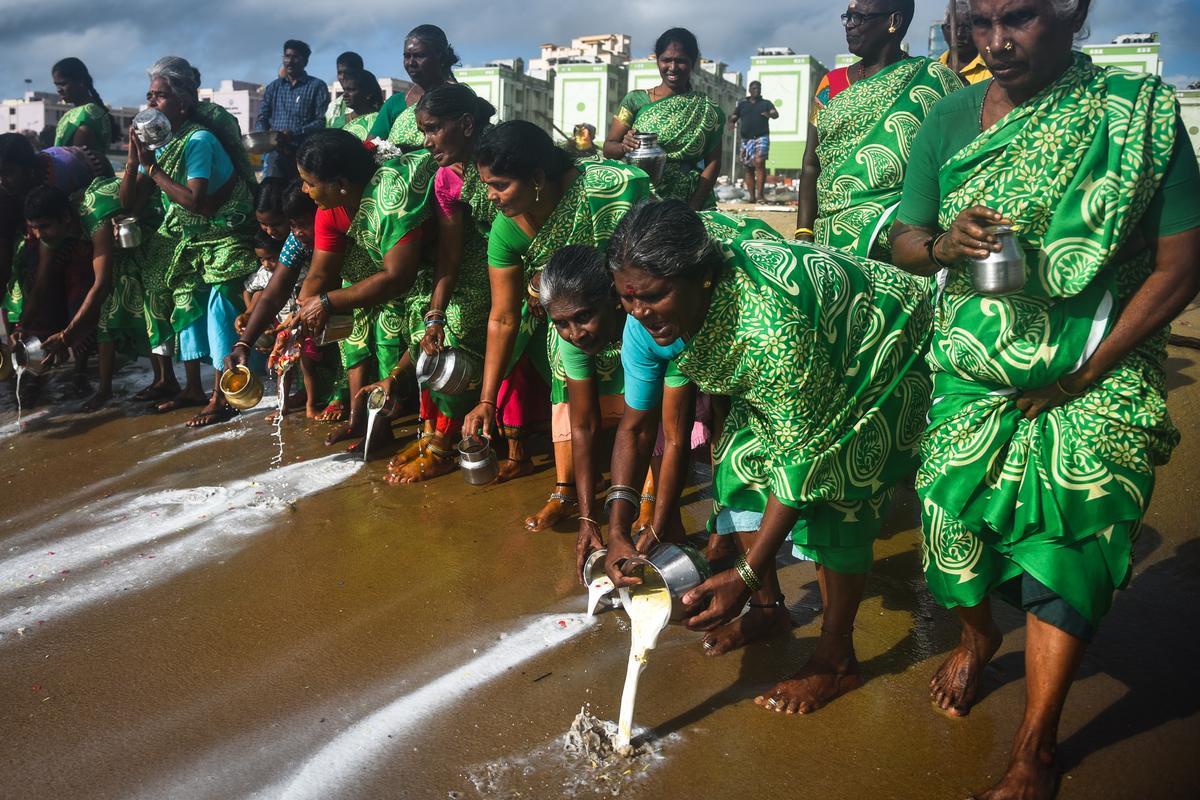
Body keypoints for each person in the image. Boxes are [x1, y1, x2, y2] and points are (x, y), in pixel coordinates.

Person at [887, 1, 1200, 796]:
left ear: (1072, 12)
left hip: (1096, 365)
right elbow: (904, 238)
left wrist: (1085, 373)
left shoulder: (1133, 118)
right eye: (980, 20)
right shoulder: (951, 118)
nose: (996, 42)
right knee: (950, 521)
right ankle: (976, 637)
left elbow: (1181, 265)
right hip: (975, 369)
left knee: (1072, 529)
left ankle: (1036, 742)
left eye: (1019, 18)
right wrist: (942, 246)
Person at [602, 200, 932, 706]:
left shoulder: (768, 327)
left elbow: (802, 462)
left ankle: (837, 658)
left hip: (878, 342)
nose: (641, 312)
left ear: (703, 277)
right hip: (802, 363)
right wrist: (618, 529)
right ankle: (769, 609)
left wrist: (745, 570)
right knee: (739, 464)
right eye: (628, 298)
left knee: (838, 495)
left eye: (654, 296)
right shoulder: (644, 323)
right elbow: (638, 426)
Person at [462, 121, 651, 531]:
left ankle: (648, 492)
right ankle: (566, 489)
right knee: (561, 345)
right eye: (487, 185)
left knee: (643, 365)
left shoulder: (610, 189)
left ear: (535, 177)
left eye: (499, 185)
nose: (490, 197)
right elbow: (503, 316)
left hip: (630, 306)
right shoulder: (505, 229)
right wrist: (487, 400)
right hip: (576, 319)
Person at [539, 244, 695, 580]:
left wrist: (657, 524)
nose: (575, 333)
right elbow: (584, 426)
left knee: (675, 431)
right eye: (561, 323)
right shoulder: (571, 335)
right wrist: (588, 519)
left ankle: (678, 526)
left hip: (680, 357)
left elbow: (672, 435)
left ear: (612, 295)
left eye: (583, 317)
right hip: (633, 360)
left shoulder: (653, 320)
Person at [120, 55, 260, 427]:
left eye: (160, 96)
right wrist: (135, 160)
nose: (151, 103)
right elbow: (127, 203)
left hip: (227, 234)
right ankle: (194, 388)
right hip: (196, 238)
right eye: (149, 96)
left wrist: (152, 169)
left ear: (182, 102)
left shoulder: (198, 140)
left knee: (218, 309)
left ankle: (224, 394)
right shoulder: (165, 144)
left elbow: (196, 200)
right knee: (185, 302)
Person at [371, 83, 496, 483]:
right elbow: (450, 253)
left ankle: (444, 443)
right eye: (422, 132)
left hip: (514, 263)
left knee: (458, 325)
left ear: (465, 124)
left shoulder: (498, 158)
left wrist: (448, 315)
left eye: (432, 130)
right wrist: (434, 313)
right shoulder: (446, 178)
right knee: (424, 320)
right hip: (475, 264)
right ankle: (429, 433)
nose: (426, 142)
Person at [292, 129, 437, 453]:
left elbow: (399, 277)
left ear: (340, 184)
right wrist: (299, 310)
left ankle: (432, 436)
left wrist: (326, 302)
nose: (304, 190)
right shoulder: (332, 206)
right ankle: (368, 421)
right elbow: (320, 271)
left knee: (417, 335)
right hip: (403, 274)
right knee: (365, 330)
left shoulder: (388, 197)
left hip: (441, 271)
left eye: (310, 182)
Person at [796, 1, 960, 257]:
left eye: (859, 17)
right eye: (847, 17)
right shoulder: (831, 84)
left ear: (894, 21)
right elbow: (810, 163)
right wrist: (803, 234)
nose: (849, 25)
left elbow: (955, 160)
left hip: (905, 239)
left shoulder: (935, 79)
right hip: (830, 241)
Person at [0, 134, 113, 361]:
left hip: (91, 216)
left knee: (77, 278)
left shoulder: (59, 179)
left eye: (8, 173)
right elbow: (4, 258)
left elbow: (44, 274)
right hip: (57, 218)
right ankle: (48, 341)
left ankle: (79, 350)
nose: (3, 180)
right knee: (29, 268)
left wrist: (59, 333)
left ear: (28, 169)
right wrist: (21, 326)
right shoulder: (8, 192)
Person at [604, 28, 723, 210]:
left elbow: (713, 163)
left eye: (681, 61)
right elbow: (608, 148)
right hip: (639, 195)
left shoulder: (707, 109)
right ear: (657, 60)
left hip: (687, 199)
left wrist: (693, 207)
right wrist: (623, 146)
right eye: (666, 60)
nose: (673, 68)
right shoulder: (635, 100)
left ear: (693, 63)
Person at [369, 25, 459, 148]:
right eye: (406, 56)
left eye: (419, 55)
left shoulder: (458, 99)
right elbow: (371, 146)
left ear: (441, 57)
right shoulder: (395, 103)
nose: (411, 63)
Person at [256, 40, 330, 179]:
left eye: (295, 57)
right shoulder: (273, 87)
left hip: (304, 153)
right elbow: (262, 117)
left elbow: (321, 121)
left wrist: (293, 133)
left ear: (305, 61)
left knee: (300, 195)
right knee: (272, 194)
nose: (290, 61)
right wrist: (265, 135)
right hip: (275, 154)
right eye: (287, 56)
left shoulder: (317, 86)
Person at [728, 81, 777, 203]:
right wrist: (731, 122)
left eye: (759, 88)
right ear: (750, 90)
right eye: (754, 88)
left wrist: (771, 114)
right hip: (746, 139)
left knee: (759, 162)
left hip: (761, 137)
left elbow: (775, 113)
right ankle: (752, 197)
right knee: (748, 167)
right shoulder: (742, 104)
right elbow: (734, 115)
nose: (757, 90)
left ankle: (760, 195)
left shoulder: (766, 103)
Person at [51, 58, 116, 150]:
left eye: (63, 83)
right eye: (57, 85)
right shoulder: (83, 111)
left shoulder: (88, 113)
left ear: (81, 81)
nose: (59, 90)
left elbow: (77, 159)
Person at [940, 0, 991, 85]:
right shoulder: (933, 69)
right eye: (954, 27)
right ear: (944, 30)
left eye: (967, 27)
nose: (959, 34)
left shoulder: (992, 70)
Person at [331, 69, 384, 140]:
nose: (344, 95)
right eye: (344, 90)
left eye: (351, 90)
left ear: (369, 93)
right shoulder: (340, 122)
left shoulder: (382, 118)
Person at [326, 51, 365, 128]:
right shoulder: (333, 107)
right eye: (340, 73)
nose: (343, 77)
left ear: (359, 73)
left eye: (347, 72)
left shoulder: (372, 106)